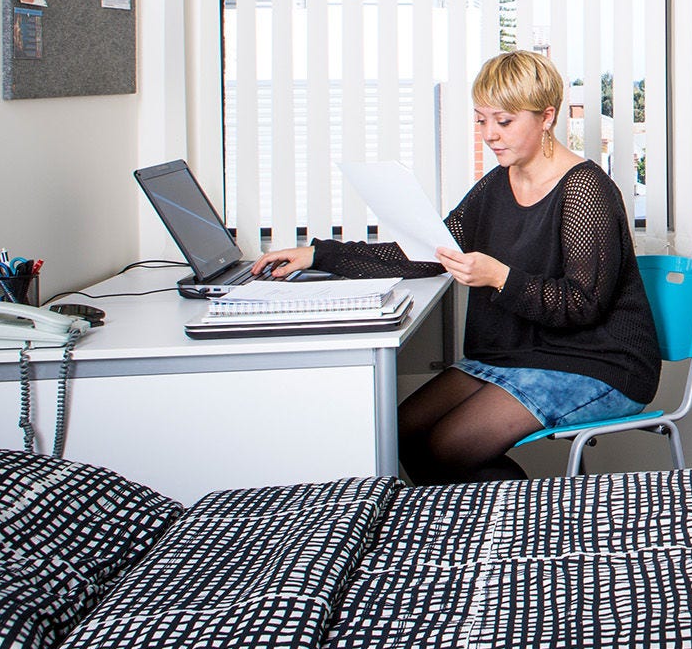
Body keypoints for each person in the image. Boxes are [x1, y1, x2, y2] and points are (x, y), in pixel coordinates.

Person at [250, 50, 658, 484]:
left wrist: (499, 277)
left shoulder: (586, 189)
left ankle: (535, 521)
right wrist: (320, 255)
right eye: (481, 120)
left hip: (596, 361)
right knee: (399, 434)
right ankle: (483, 523)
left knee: (447, 448)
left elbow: (582, 304)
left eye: (504, 121)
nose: (489, 135)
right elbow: (429, 251)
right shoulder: (497, 183)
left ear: (546, 117)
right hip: (517, 354)